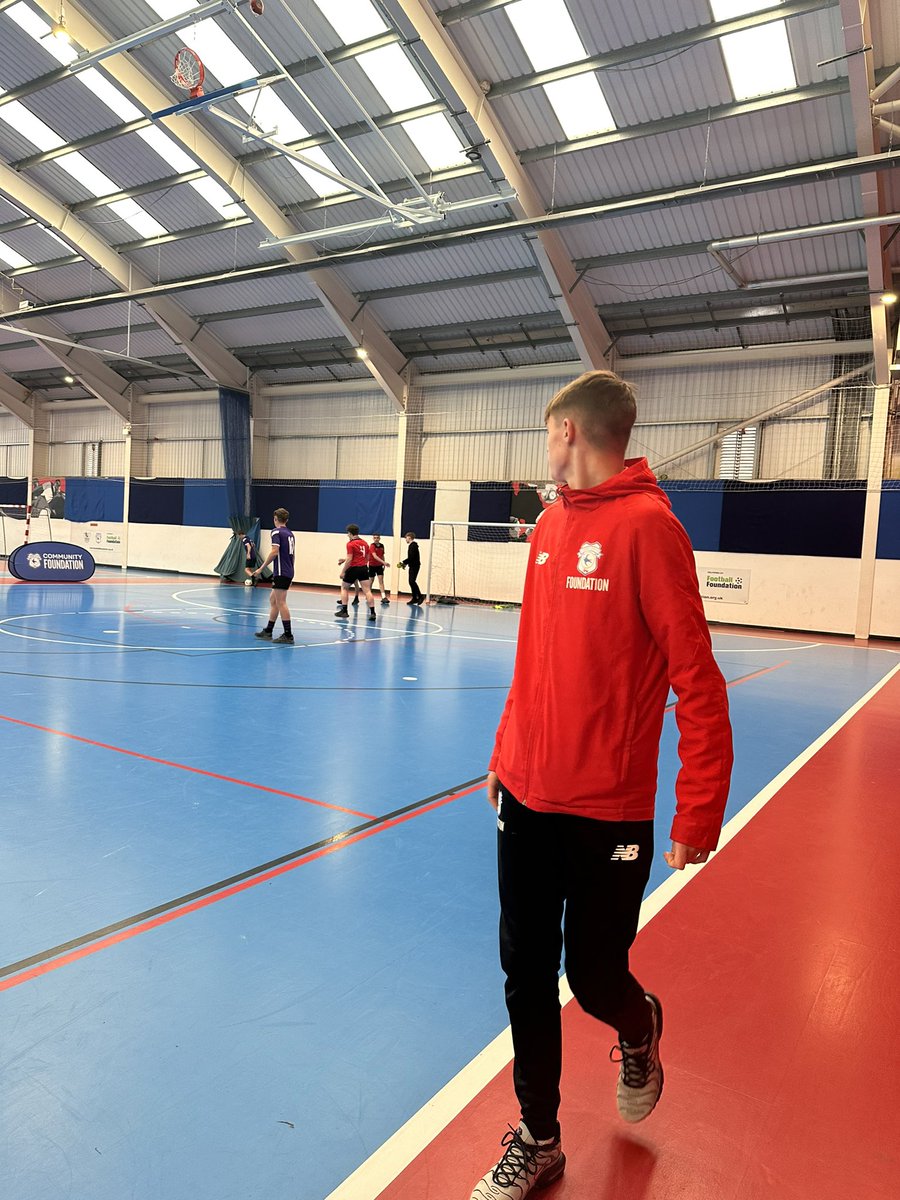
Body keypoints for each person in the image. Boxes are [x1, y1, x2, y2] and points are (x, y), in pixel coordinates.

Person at [469, 370, 734, 1199]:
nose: (547, 446)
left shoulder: (651, 529)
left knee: (591, 976)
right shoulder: (549, 526)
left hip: (606, 811)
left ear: (571, 434)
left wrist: (698, 806)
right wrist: (505, 754)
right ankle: (539, 1135)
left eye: (550, 434)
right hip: (527, 793)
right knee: (523, 969)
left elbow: (698, 677)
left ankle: (639, 1021)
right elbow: (534, 658)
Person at [252, 508, 295, 644]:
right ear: (286, 520)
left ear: (275, 519)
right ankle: (268, 630)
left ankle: (288, 635)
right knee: (273, 600)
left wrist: (261, 568)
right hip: (287, 571)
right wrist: (291, 573)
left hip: (282, 572)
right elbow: (292, 555)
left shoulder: (276, 531)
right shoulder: (290, 534)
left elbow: (274, 551)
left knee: (281, 602)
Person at [335, 524, 377, 622]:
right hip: (363, 568)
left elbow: (350, 559)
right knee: (367, 590)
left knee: (344, 587)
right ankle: (372, 613)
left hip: (353, 568)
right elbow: (366, 557)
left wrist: (343, 571)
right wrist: (360, 564)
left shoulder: (350, 544)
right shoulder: (365, 543)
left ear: (350, 533)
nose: (347, 535)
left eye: (348, 533)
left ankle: (344, 611)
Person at [398, 531, 423, 605]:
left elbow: (411, 557)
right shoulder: (412, 545)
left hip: (415, 566)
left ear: (409, 537)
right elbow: (411, 558)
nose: (406, 539)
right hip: (413, 565)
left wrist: (403, 563)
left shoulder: (413, 545)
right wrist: (405, 564)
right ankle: (415, 598)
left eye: (406, 538)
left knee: (412, 581)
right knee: (411, 582)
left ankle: (420, 596)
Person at [367, 533, 390, 605]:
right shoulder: (372, 546)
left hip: (379, 566)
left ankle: (383, 597)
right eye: (375, 538)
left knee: (381, 581)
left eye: (377, 538)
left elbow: (382, 555)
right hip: (372, 565)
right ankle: (368, 595)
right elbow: (375, 556)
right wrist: (384, 562)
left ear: (379, 538)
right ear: (373, 539)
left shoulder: (382, 546)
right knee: (371, 581)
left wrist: (383, 564)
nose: (376, 539)